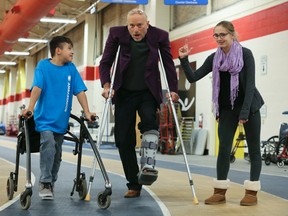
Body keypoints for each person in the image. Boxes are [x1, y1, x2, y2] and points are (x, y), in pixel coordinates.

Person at [178, 21, 264, 206]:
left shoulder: (246, 54)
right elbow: (193, 77)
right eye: (216, 35)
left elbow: (250, 86)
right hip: (226, 109)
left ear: (232, 35)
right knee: (224, 149)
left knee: (254, 149)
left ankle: (251, 192)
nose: (219, 38)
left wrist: (245, 111)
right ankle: (220, 191)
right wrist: (184, 60)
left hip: (250, 106)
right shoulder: (214, 58)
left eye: (223, 34)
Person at [99, 8, 179, 198]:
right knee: (123, 139)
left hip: (147, 92)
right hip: (124, 92)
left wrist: (173, 89)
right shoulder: (116, 34)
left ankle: (148, 163)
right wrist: (106, 85)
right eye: (131, 25)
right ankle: (134, 184)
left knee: (150, 123)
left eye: (139, 25)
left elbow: (168, 63)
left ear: (147, 24)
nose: (135, 29)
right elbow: (105, 62)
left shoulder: (160, 36)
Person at [23, 36, 96, 200]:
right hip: (44, 120)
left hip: (61, 121)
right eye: (69, 48)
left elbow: (80, 91)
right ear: (58, 51)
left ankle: (51, 182)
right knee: (48, 144)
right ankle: (45, 182)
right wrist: (30, 107)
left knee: (57, 154)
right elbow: (37, 87)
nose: (72, 51)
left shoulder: (70, 68)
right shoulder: (43, 66)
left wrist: (87, 111)